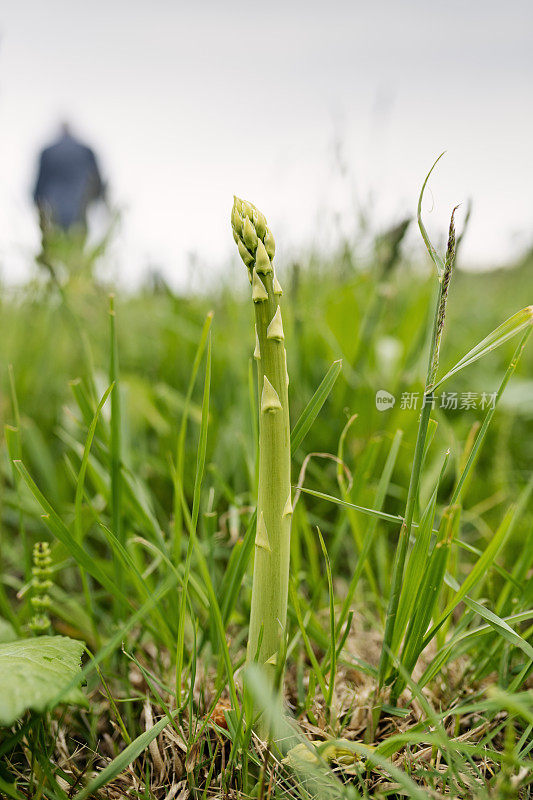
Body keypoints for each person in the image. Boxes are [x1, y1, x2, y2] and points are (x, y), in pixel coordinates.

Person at [33, 123, 105, 267]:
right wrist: (99, 201)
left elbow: (38, 188)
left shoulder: (48, 152)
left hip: (54, 211)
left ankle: (61, 282)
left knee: (56, 251)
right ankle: (76, 280)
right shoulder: (86, 151)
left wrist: (38, 207)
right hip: (79, 208)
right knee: (78, 250)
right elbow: (97, 182)